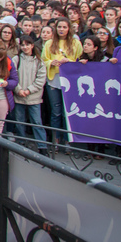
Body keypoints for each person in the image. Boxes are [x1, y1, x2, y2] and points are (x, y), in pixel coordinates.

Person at [41, 18, 82, 149]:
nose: (62, 29)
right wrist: (50, 63)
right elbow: (43, 60)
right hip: (54, 80)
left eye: (64, 27)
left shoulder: (76, 43)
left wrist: (68, 61)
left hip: (69, 81)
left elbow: (80, 60)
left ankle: (68, 140)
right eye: (59, 27)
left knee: (67, 112)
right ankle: (55, 140)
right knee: (56, 112)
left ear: (69, 28)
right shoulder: (49, 43)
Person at [10, 36, 47, 152]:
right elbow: (12, 75)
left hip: (33, 97)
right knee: (19, 121)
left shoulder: (39, 61)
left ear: (32, 45)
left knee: (36, 121)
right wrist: (19, 89)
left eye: (27, 44)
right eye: (23, 45)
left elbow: (41, 80)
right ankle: (22, 141)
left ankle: (42, 145)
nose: (25, 47)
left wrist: (29, 90)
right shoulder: (16, 59)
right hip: (19, 95)